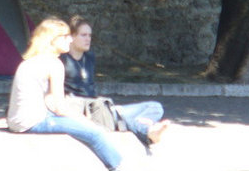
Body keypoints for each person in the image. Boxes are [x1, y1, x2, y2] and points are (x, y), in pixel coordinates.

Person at [6, 17, 150, 171]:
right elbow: (58, 106)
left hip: (23, 118)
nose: (69, 39)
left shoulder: (34, 60)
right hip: (31, 122)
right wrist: (84, 121)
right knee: (95, 133)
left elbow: (50, 101)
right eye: (65, 36)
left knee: (83, 127)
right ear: (53, 39)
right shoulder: (54, 64)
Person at [60, 15, 170, 150]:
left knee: (155, 107)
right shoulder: (62, 61)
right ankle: (147, 132)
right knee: (118, 116)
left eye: (90, 35)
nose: (88, 39)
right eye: (83, 35)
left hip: (101, 106)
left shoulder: (90, 57)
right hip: (85, 110)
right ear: (71, 37)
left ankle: (136, 123)